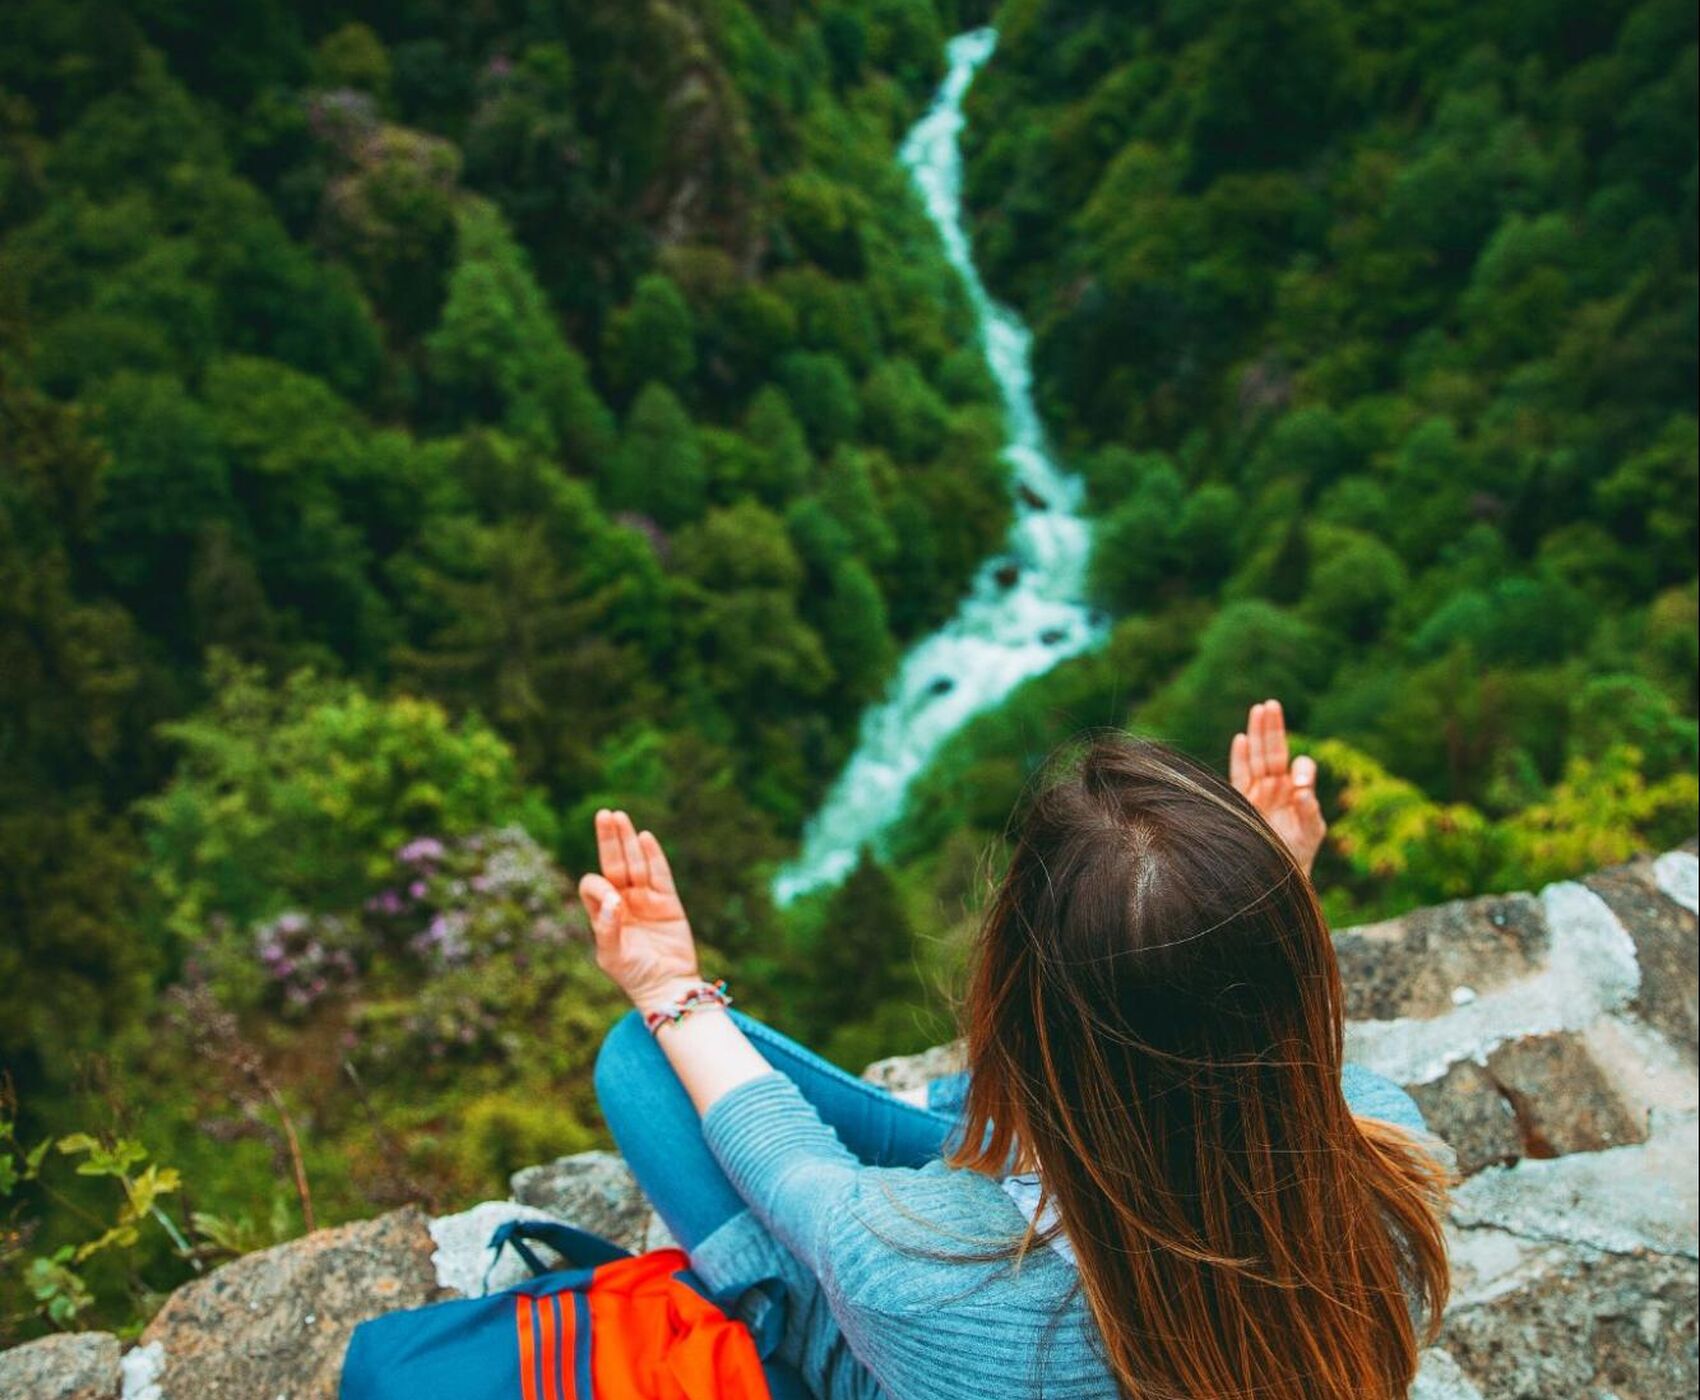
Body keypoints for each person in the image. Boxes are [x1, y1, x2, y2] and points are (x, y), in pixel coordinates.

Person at [585, 700, 1455, 1399]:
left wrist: (670, 990)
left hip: (934, 1341)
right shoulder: (1389, 1163)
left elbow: (795, 1175)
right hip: (1061, 1200)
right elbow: (1241, 1043)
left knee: (640, 1061)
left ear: (1015, 1014)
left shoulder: (931, 1273)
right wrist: (1254, 898)